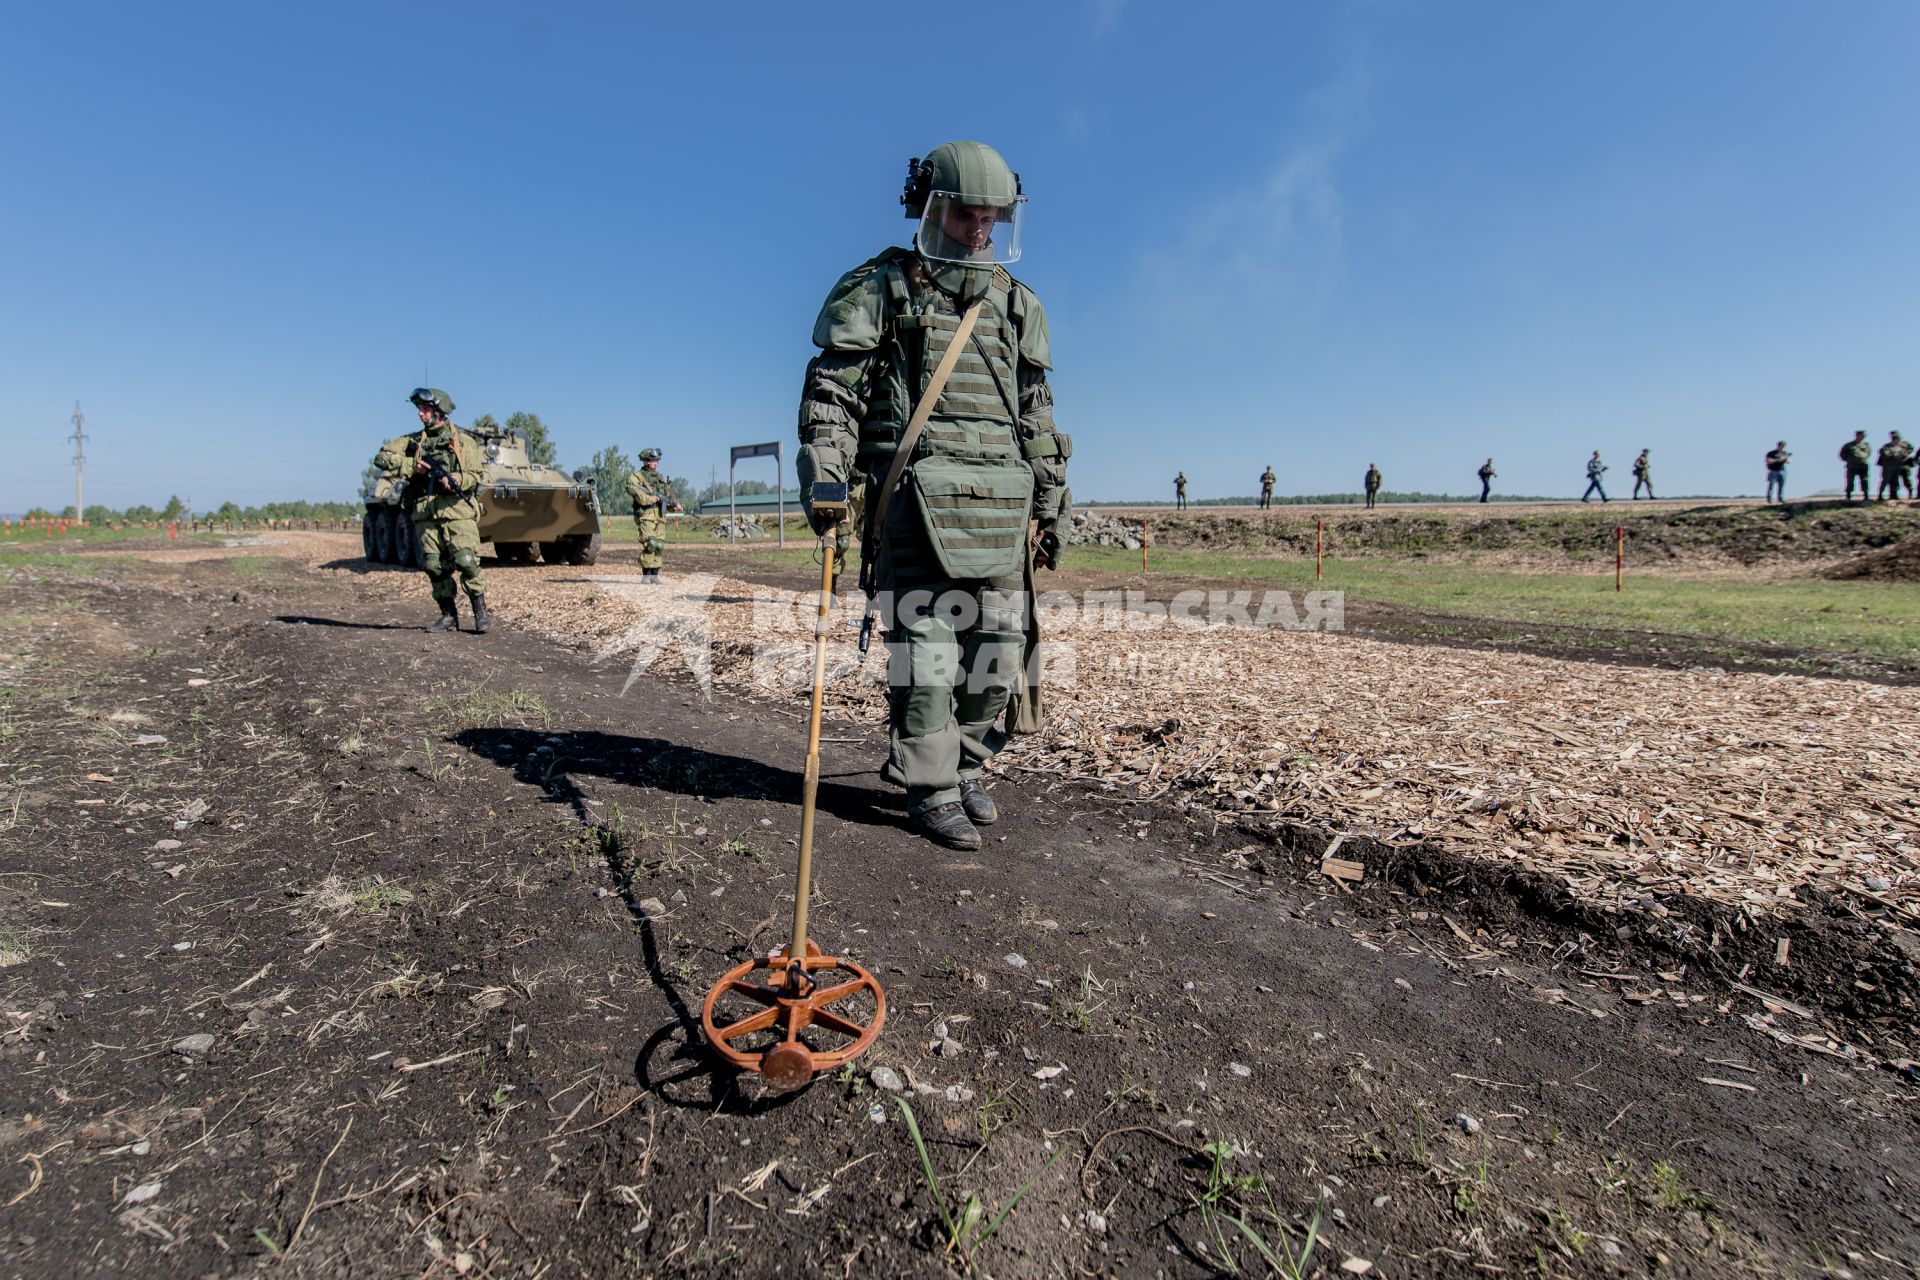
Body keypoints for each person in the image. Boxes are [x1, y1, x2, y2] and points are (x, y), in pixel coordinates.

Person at [795, 140, 1069, 851]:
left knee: (1001, 652)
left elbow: (1036, 416)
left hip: (1002, 509)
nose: (979, 233)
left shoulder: (1016, 304)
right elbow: (833, 396)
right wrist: (827, 480)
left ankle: (966, 763)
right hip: (912, 504)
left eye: (992, 220)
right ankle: (930, 786)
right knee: (927, 653)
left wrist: (1050, 505)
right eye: (966, 218)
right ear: (932, 210)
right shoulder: (881, 287)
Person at [375, 389, 490, 633]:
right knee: (434, 566)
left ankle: (481, 613)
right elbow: (381, 458)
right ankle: (448, 616)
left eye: (425, 409)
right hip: (425, 512)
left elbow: (476, 476)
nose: (420, 414)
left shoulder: (463, 442)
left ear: (439, 411)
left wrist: (456, 480)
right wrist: (411, 466)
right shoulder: (414, 442)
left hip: (456, 511)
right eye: (418, 409)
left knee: (466, 561)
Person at [625, 449, 681, 583]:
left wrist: (674, 505)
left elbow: (667, 498)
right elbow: (632, 489)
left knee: (660, 545)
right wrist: (651, 499)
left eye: (656, 461)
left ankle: (655, 575)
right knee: (651, 544)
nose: (654, 463)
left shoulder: (660, 480)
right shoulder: (637, 476)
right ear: (645, 461)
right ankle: (646, 575)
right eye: (651, 461)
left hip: (660, 516)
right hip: (647, 515)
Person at [1878, 431, 1914, 502]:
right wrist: (1895, 454)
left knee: (1901, 481)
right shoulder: (1887, 446)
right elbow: (1884, 454)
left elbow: (1909, 451)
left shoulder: (1903, 445)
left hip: (1901, 466)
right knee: (1888, 481)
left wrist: (1904, 454)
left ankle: (1904, 494)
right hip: (1890, 467)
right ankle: (1886, 495)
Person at [1841, 430, 1872, 501]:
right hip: (1852, 466)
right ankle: (1848, 496)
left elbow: (1869, 453)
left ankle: (1866, 496)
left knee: (1864, 480)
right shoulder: (1849, 445)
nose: (1863, 437)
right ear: (1857, 436)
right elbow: (1842, 455)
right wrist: (1850, 460)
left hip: (1863, 466)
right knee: (1850, 481)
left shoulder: (1866, 445)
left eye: (1864, 436)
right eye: (1861, 435)